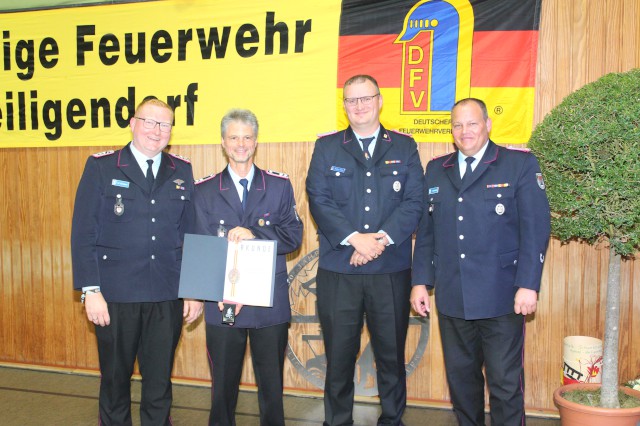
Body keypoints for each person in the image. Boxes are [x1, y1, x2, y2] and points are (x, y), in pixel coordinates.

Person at [411, 98, 551, 426]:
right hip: (453, 296)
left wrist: (528, 285)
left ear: (488, 124)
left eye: (472, 123)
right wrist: (421, 281)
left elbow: (536, 230)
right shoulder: (436, 169)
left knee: (504, 385)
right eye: (458, 125)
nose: (465, 131)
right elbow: (427, 233)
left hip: (502, 297)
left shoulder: (519, 165)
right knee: (462, 384)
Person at [71, 97, 203, 426]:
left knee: (159, 384)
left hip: (166, 295)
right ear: (132, 123)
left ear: (171, 131)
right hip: (115, 297)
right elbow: (83, 233)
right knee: (115, 382)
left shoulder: (181, 170)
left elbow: (193, 233)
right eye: (149, 121)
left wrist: (195, 290)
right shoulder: (102, 167)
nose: (156, 130)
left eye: (164, 124)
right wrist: (91, 290)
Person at [306, 74, 424, 425]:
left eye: (365, 99)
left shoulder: (404, 146)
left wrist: (377, 241)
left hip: (390, 272)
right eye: (351, 100)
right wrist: (354, 238)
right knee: (339, 357)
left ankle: (392, 420)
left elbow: (414, 201)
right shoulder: (327, 147)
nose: (359, 106)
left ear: (379, 100)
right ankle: (337, 421)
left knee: (390, 356)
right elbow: (319, 199)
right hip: (339, 271)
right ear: (343, 106)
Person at [191, 108, 303, 426]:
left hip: (269, 304)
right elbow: (199, 244)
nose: (241, 144)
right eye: (234, 137)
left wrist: (256, 233)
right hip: (223, 304)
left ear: (256, 142)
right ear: (223, 143)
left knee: (271, 389)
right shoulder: (204, 190)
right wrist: (202, 295)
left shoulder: (279, 186)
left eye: (247, 137)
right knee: (222, 391)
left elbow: (294, 236)